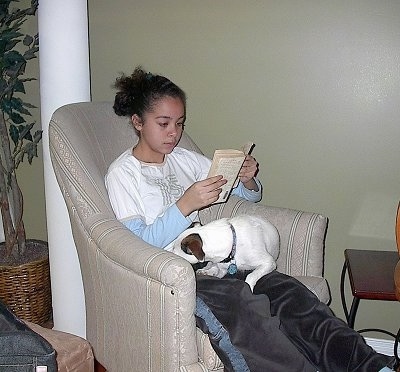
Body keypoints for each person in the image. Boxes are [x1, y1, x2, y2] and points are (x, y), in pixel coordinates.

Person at [105, 66, 397, 372]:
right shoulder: (124, 174)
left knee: (291, 295)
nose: (174, 133)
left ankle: (372, 367)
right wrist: (185, 205)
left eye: (179, 124)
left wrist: (246, 179)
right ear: (138, 122)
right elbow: (136, 245)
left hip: (221, 260)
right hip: (175, 274)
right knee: (243, 308)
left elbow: (248, 196)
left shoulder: (183, 158)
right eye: (163, 123)